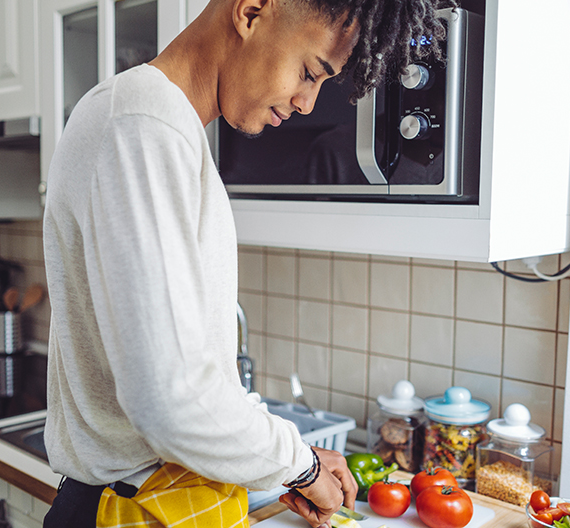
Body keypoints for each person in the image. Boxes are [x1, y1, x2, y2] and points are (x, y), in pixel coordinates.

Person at [40, 0, 453, 526]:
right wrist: (297, 464)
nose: (308, 103)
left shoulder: (165, 127)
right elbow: (170, 399)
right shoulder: (143, 124)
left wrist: (286, 463)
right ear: (252, 11)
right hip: (128, 510)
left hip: (161, 500)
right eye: (309, 72)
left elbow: (199, 376)